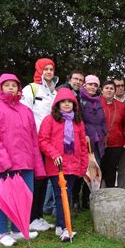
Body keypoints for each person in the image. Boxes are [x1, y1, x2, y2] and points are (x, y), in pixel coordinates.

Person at [0, 74, 45, 247]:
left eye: (14, 85)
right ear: (0, 87)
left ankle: (18, 230)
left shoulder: (26, 111)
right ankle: (2, 232)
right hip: (1, 165)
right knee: (2, 199)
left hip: (25, 163)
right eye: (7, 85)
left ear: (19, 88)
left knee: (25, 198)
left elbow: (33, 141)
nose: (11, 88)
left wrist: (37, 166)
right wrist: (5, 161)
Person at [38, 88, 88, 242]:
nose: (67, 104)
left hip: (73, 165)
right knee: (61, 195)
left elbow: (82, 145)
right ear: (57, 104)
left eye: (70, 102)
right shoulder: (49, 120)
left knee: (68, 193)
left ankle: (63, 225)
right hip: (57, 166)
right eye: (63, 102)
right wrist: (54, 154)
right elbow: (43, 140)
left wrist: (83, 165)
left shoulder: (78, 123)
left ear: (74, 104)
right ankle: (64, 227)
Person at [21, 58, 58, 232]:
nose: (49, 72)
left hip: (48, 142)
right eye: (46, 69)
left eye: (51, 69)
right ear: (39, 70)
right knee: (34, 181)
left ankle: (38, 217)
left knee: (43, 180)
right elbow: (23, 114)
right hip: (34, 142)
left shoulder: (54, 92)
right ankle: (29, 217)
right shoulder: (30, 89)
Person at [57, 69, 85, 212]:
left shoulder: (80, 95)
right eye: (76, 79)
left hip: (76, 137)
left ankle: (69, 205)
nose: (78, 82)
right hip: (61, 143)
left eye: (81, 80)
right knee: (59, 178)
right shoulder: (62, 91)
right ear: (69, 79)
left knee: (73, 175)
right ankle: (56, 208)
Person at [78, 74, 106, 210]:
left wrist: (103, 132)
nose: (93, 87)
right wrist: (83, 134)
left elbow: (102, 120)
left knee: (95, 169)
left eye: (95, 85)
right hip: (84, 140)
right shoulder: (79, 100)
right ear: (85, 85)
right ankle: (78, 201)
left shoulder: (99, 101)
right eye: (90, 84)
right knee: (83, 170)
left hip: (98, 140)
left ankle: (90, 199)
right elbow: (78, 120)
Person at [100, 80, 125, 188]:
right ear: (102, 90)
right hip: (99, 142)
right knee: (99, 169)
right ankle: (96, 196)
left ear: (114, 91)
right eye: (106, 88)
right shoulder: (96, 103)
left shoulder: (121, 106)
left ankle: (110, 195)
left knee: (111, 170)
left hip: (116, 143)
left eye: (111, 88)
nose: (109, 90)